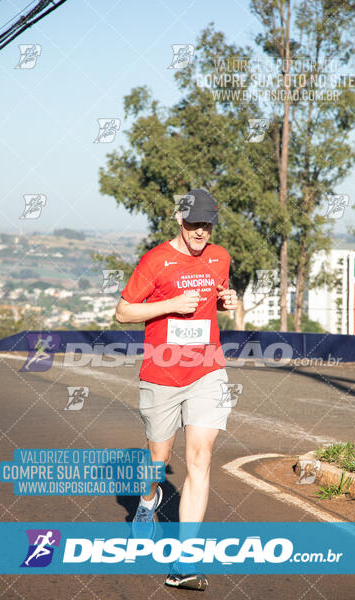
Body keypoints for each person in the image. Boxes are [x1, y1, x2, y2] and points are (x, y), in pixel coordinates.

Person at [115, 189, 237, 591]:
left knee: (199, 460)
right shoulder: (155, 260)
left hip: (207, 370)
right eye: (193, 223)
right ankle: (148, 501)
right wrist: (169, 306)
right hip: (162, 375)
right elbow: (123, 312)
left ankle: (184, 562)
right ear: (179, 220)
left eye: (207, 224)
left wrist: (225, 300)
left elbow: (216, 297)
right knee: (158, 459)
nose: (200, 231)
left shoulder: (220, 257)